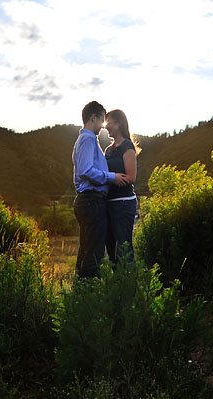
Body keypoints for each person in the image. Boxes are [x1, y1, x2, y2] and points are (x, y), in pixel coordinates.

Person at [71, 101, 130, 277]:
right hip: (92, 200)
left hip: (88, 199)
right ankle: (88, 293)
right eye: (102, 120)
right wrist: (113, 177)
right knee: (94, 252)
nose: (103, 126)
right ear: (94, 117)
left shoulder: (85, 140)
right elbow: (86, 171)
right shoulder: (88, 139)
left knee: (86, 248)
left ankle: (80, 292)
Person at [103, 109, 139, 264]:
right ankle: (117, 284)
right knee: (111, 250)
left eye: (109, 122)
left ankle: (129, 286)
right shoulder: (108, 150)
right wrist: (112, 178)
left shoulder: (127, 146)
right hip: (108, 204)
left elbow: (131, 177)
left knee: (124, 249)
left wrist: (110, 179)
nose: (106, 127)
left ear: (118, 123)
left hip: (123, 204)